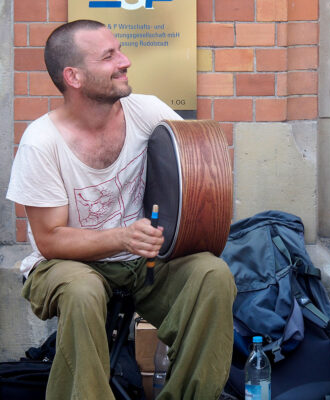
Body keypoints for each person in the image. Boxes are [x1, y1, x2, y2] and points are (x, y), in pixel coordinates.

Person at [6, 20, 236, 400]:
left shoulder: (147, 111)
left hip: (143, 262)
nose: (124, 61)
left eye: (120, 50)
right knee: (81, 291)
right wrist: (122, 236)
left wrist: (183, 222)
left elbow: (198, 171)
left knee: (212, 274)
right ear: (74, 76)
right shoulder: (40, 143)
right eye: (109, 56)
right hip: (66, 265)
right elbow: (50, 241)